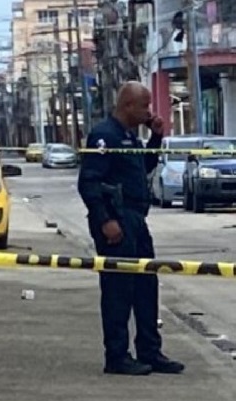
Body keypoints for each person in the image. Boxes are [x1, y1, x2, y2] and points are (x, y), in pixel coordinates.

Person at [77, 81, 185, 376]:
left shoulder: (129, 137)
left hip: (136, 218)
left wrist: (156, 137)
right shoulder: (104, 136)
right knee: (118, 290)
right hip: (116, 218)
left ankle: (150, 351)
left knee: (146, 286)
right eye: (144, 105)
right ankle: (117, 356)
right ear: (127, 106)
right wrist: (104, 220)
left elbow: (144, 166)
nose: (148, 110)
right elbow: (88, 182)